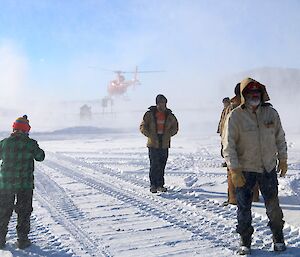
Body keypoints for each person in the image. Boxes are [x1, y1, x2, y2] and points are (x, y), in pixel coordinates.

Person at [223, 78, 287, 255]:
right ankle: (245, 240)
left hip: (267, 168)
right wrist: (234, 170)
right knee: (244, 207)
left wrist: (283, 159)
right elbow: (229, 146)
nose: (254, 96)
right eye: (250, 93)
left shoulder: (271, 113)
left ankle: (278, 237)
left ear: (262, 95)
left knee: (273, 206)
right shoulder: (235, 116)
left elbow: (280, 137)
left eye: (257, 93)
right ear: (244, 96)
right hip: (245, 170)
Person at [0, 115, 45, 249]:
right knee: (24, 211)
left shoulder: (4, 143)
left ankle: (0, 239)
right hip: (25, 185)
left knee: (3, 211)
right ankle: (23, 240)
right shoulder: (31, 143)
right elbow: (40, 157)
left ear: (14, 129)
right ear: (26, 130)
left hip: (5, 184)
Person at [222, 83, 260, 206]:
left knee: (234, 171)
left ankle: (233, 198)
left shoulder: (233, 108)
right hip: (247, 146)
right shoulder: (253, 106)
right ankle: (252, 197)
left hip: (237, 146)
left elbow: (224, 129)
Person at [140, 94, 178, 193]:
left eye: (164, 103)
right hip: (153, 143)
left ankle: (160, 185)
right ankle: (153, 185)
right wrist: (150, 135)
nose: (163, 105)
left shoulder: (169, 115)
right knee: (154, 164)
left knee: (162, 165)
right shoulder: (149, 114)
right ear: (157, 104)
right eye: (161, 103)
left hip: (164, 143)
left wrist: (168, 134)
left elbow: (175, 127)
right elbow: (143, 126)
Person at [217, 97, 231, 167]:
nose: (224, 104)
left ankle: (227, 161)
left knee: (227, 147)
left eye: (225, 102)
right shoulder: (224, 110)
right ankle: (226, 160)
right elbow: (222, 120)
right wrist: (219, 129)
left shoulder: (230, 109)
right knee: (223, 147)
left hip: (227, 132)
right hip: (223, 131)